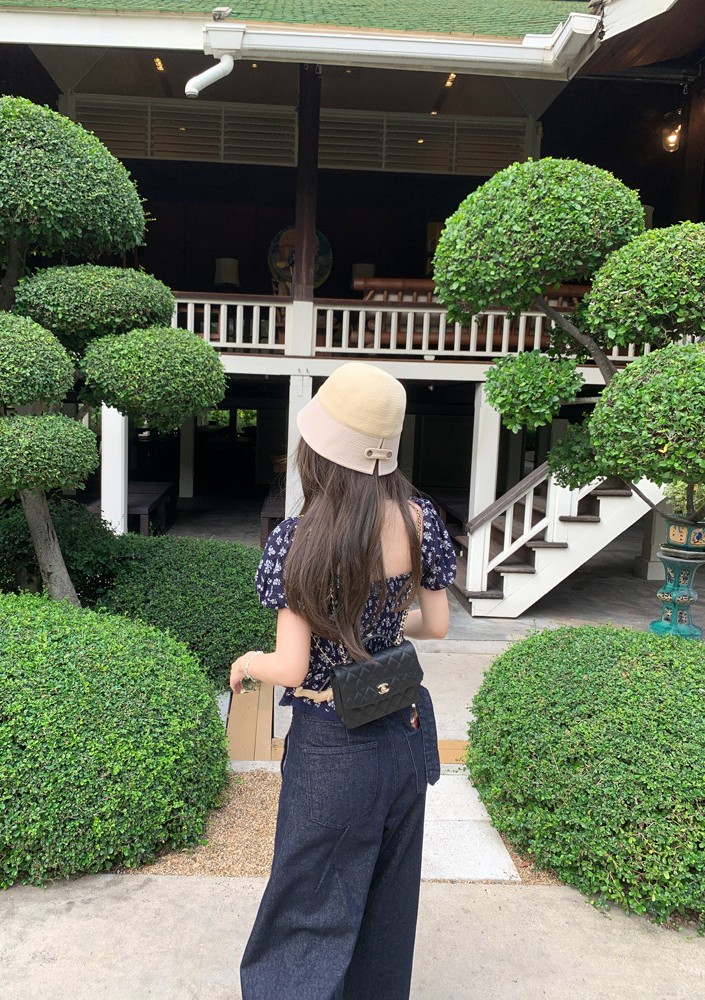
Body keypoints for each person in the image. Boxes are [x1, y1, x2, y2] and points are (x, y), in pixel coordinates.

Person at [230, 362, 458, 1000]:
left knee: (306, 906)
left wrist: (248, 663)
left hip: (333, 743)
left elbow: (291, 667)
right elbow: (437, 625)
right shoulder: (420, 519)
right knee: (387, 901)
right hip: (403, 729)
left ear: (319, 451)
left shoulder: (300, 539)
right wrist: (377, 624)